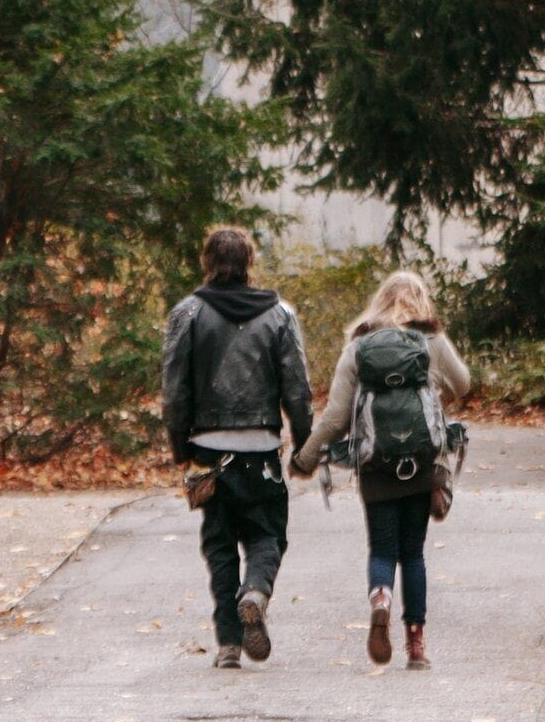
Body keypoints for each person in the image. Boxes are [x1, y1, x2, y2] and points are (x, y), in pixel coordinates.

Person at [303, 269, 474, 670]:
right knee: (413, 554)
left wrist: (305, 457)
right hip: (421, 461)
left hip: (376, 464)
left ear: (379, 301)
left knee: (382, 548)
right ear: (421, 301)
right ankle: (416, 644)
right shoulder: (431, 340)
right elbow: (463, 383)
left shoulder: (360, 345)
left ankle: (380, 597)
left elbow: (336, 418)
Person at [160, 225, 314, 668]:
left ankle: (228, 642)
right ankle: (257, 591)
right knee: (268, 533)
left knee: (220, 544)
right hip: (261, 446)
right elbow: (297, 387)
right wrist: (302, 443)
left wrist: (180, 447)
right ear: (249, 261)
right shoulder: (280, 313)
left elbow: (174, 391)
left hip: (209, 449)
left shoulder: (187, 313)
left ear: (207, 261)